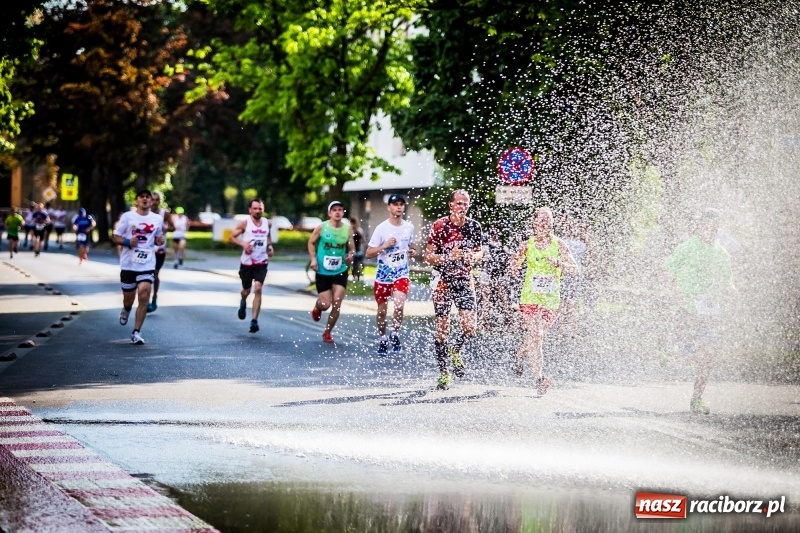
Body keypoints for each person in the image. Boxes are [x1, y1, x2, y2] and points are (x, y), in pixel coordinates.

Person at [664, 208, 736, 414]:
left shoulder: (721, 253)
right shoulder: (686, 247)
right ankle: (675, 352)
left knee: (708, 356)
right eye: (705, 224)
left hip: (710, 312)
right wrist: (673, 293)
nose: (709, 228)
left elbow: (727, 279)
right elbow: (667, 270)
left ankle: (697, 399)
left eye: (713, 225)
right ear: (698, 226)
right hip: (687, 308)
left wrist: (731, 289)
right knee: (683, 355)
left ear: (718, 227)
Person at [510, 207, 578, 396]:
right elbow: (514, 265)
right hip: (530, 297)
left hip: (550, 300)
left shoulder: (559, 245)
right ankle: (539, 378)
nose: (544, 224)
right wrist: (514, 266)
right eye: (541, 220)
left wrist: (558, 263)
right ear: (534, 223)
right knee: (537, 335)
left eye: (548, 221)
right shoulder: (527, 245)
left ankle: (521, 353)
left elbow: (575, 269)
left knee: (536, 336)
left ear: (552, 224)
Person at [424, 190, 483, 390]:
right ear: (451, 205)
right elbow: (429, 256)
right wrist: (449, 257)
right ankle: (444, 373)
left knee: (470, 327)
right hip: (443, 281)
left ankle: (455, 351)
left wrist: (472, 258)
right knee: (442, 329)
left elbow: (479, 251)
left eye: (465, 203)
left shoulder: (474, 226)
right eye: (458, 203)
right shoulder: (440, 226)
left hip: (465, 280)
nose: (462, 207)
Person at [111, 189, 165, 345]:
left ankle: (136, 332)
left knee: (144, 293)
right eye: (142, 197)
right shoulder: (127, 217)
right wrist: (128, 242)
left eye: (148, 197)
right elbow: (115, 236)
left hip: (147, 263)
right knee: (129, 299)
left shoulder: (157, 219)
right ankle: (126, 309)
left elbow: (157, 238)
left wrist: (159, 240)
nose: (146, 199)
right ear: (136, 201)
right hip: (128, 263)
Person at [365, 194, 416, 355]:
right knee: (382, 310)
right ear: (389, 207)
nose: (399, 207)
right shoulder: (382, 228)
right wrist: (385, 245)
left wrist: (412, 251)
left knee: (399, 304)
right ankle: (382, 338)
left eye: (401, 204)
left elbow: (410, 245)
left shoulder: (409, 227)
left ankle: (394, 334)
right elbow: (368, 253)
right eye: (395, 204)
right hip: (383, 275)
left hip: (401, 273)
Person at [308, 201, 355, 343]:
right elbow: (311, 243)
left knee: (337, 302)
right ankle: (317, 306)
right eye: (334, 210)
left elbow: (352, 248)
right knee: (326, 304)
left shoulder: (348, 229)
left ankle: (327, 332)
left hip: (340, 270)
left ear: (343, 212)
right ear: (329, 213)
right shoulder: (322, 227)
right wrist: (313, 259)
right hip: (322, 270)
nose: (337, 212)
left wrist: (350, 255)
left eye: (340, 209)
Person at [229, 198, 274, 333]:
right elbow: (231, 238)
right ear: (250, 210)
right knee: (246, 291)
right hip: (247, 262)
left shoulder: (267, 223)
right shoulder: (244, 223)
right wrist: (243, 244)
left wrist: (270, 246)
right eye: (255, 208)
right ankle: (243, 302)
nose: (258, 211)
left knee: (258, 289)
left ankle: (254, 321)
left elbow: (268, 237)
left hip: (261, 261)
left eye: (260, 208)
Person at [554, 211, 589, 336]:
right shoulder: (581, 244)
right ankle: (573, 328)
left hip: (564, 271)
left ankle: (561, 328)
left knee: (563, 300)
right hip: (577, 272)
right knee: (573, 300)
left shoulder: (561, 242)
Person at [478, 226, 512, 331]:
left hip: (487, 275)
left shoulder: (486, 246)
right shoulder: (503, 247)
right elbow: (508, 261)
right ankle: (509, 321)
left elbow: (481, 260)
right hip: (497, 275)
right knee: (502, 299)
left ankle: (484, 323)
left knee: (486, 300)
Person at [147, 192, 173, 312]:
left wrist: (165, 228)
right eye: (152, 200)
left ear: (160, 201)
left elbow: (173, 227)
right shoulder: (144, 213)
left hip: (159, 249)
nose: (154, 202)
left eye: (157, 200)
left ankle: (154, 297)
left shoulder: (164, 214)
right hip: (146, 249)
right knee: (146, 275)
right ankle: (145, 299)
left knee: (155, 274)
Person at [349, 217, 365, 282]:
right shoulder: (351, 230)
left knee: (356, 264)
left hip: (357, 249)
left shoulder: (358, 230)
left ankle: (357, 275)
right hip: (353, 249)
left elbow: (362, 240)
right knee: (354, 264)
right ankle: (355, 275)